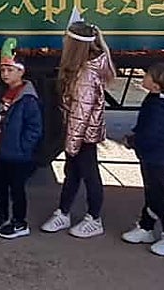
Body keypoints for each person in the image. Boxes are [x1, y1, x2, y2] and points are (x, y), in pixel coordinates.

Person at [41, 17, 115, 239]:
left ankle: (94, 218)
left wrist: (71, 145)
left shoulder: (85, 76)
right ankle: (64, 212)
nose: (63, 41)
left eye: (66, 38)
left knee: (88, 174)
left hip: (83, 136)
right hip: (81, 134)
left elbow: (79, 115)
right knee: (73, 173)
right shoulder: (85, 68)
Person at [119, 62, 164, 256]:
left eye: (147, 75)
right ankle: (146, 227)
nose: (144, 77)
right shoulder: (158, 100)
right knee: (152, 192)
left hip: (156, 156)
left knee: (159, 196)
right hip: (155, 155)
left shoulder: (158, 107)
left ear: (157, 85)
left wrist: (132, 141)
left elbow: (151, 134)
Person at [0, 38, 44, 240]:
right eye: (3, 70)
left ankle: (20, 223)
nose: (5, 74)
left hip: (18, 155)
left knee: (17, 190)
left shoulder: (27, 98)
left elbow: (34, 128)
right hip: (1, 150)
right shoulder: (2, 93)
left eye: (10, 70)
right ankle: (2, 214)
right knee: (0, 186)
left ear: (21, 71)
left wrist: (23, 147)